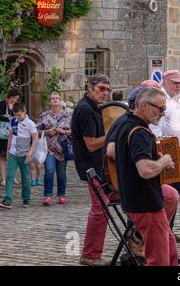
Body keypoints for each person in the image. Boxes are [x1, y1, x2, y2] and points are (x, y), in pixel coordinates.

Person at [112, 87, 178, 265]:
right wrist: (163, 161)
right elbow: (145, 170)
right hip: (145, 203)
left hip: (138, 200)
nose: (163, 113)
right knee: (158, 260)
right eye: (160, 108)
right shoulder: (139, 131)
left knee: (169, 251)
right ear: (143, 105)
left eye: (164, 109)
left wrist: (156, 159)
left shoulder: (126, 124)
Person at [71, 74, 111, 266]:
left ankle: (135, 241)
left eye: (107, 90)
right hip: (90, 167)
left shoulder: (93, 107)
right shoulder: (86, 109)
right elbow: (92, 145)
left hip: (99, 166)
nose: (105, 93)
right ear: (90, 87)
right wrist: (112, 132)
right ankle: (90, 255)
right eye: (101, 89)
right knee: (100, 209)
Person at [160, 69, 180, 243]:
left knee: (176, 193)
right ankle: (162, 230)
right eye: (174, 82)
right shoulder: (161, 98)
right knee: (167, 193)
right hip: (167, 153)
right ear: (165, 82)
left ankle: (169, 229)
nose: (178, 85)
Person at [0, 102, 39, 209]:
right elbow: (10, 136)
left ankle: (26, 199)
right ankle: (8, 199)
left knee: (25, 177)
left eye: (19, 115)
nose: (17, 117)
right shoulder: (13, 121)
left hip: (25, 154)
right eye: (15, 115)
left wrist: (30, 153)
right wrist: (8, 151)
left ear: (24, 112)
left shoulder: (30, 123)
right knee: (10, 176)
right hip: (13, 153)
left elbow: (35, 139)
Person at [37, 92, 72, 206]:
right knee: (49, 171)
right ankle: (47, 196)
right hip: (49, 149)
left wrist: (65, 132)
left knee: (61, 174)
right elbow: (36, 132)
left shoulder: (68, 115)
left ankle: (61, 195)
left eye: (57, 98)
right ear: (49, 102)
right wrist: (47, 131)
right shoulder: (44, 116)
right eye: (53, 98)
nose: (55, 100)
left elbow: (75, 132)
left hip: (63, 149)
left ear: (61, 101)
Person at [0, 87, 22, 187]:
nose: (15, 100)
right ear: (10, 95)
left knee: (14, 156)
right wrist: (9, 118)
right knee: (3, 157)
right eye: (14, 97)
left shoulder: (16, 106)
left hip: (14, 134)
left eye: (17, 98)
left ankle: (12, 176)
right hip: (3, 135)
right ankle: (3, 178)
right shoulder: (3, 103)